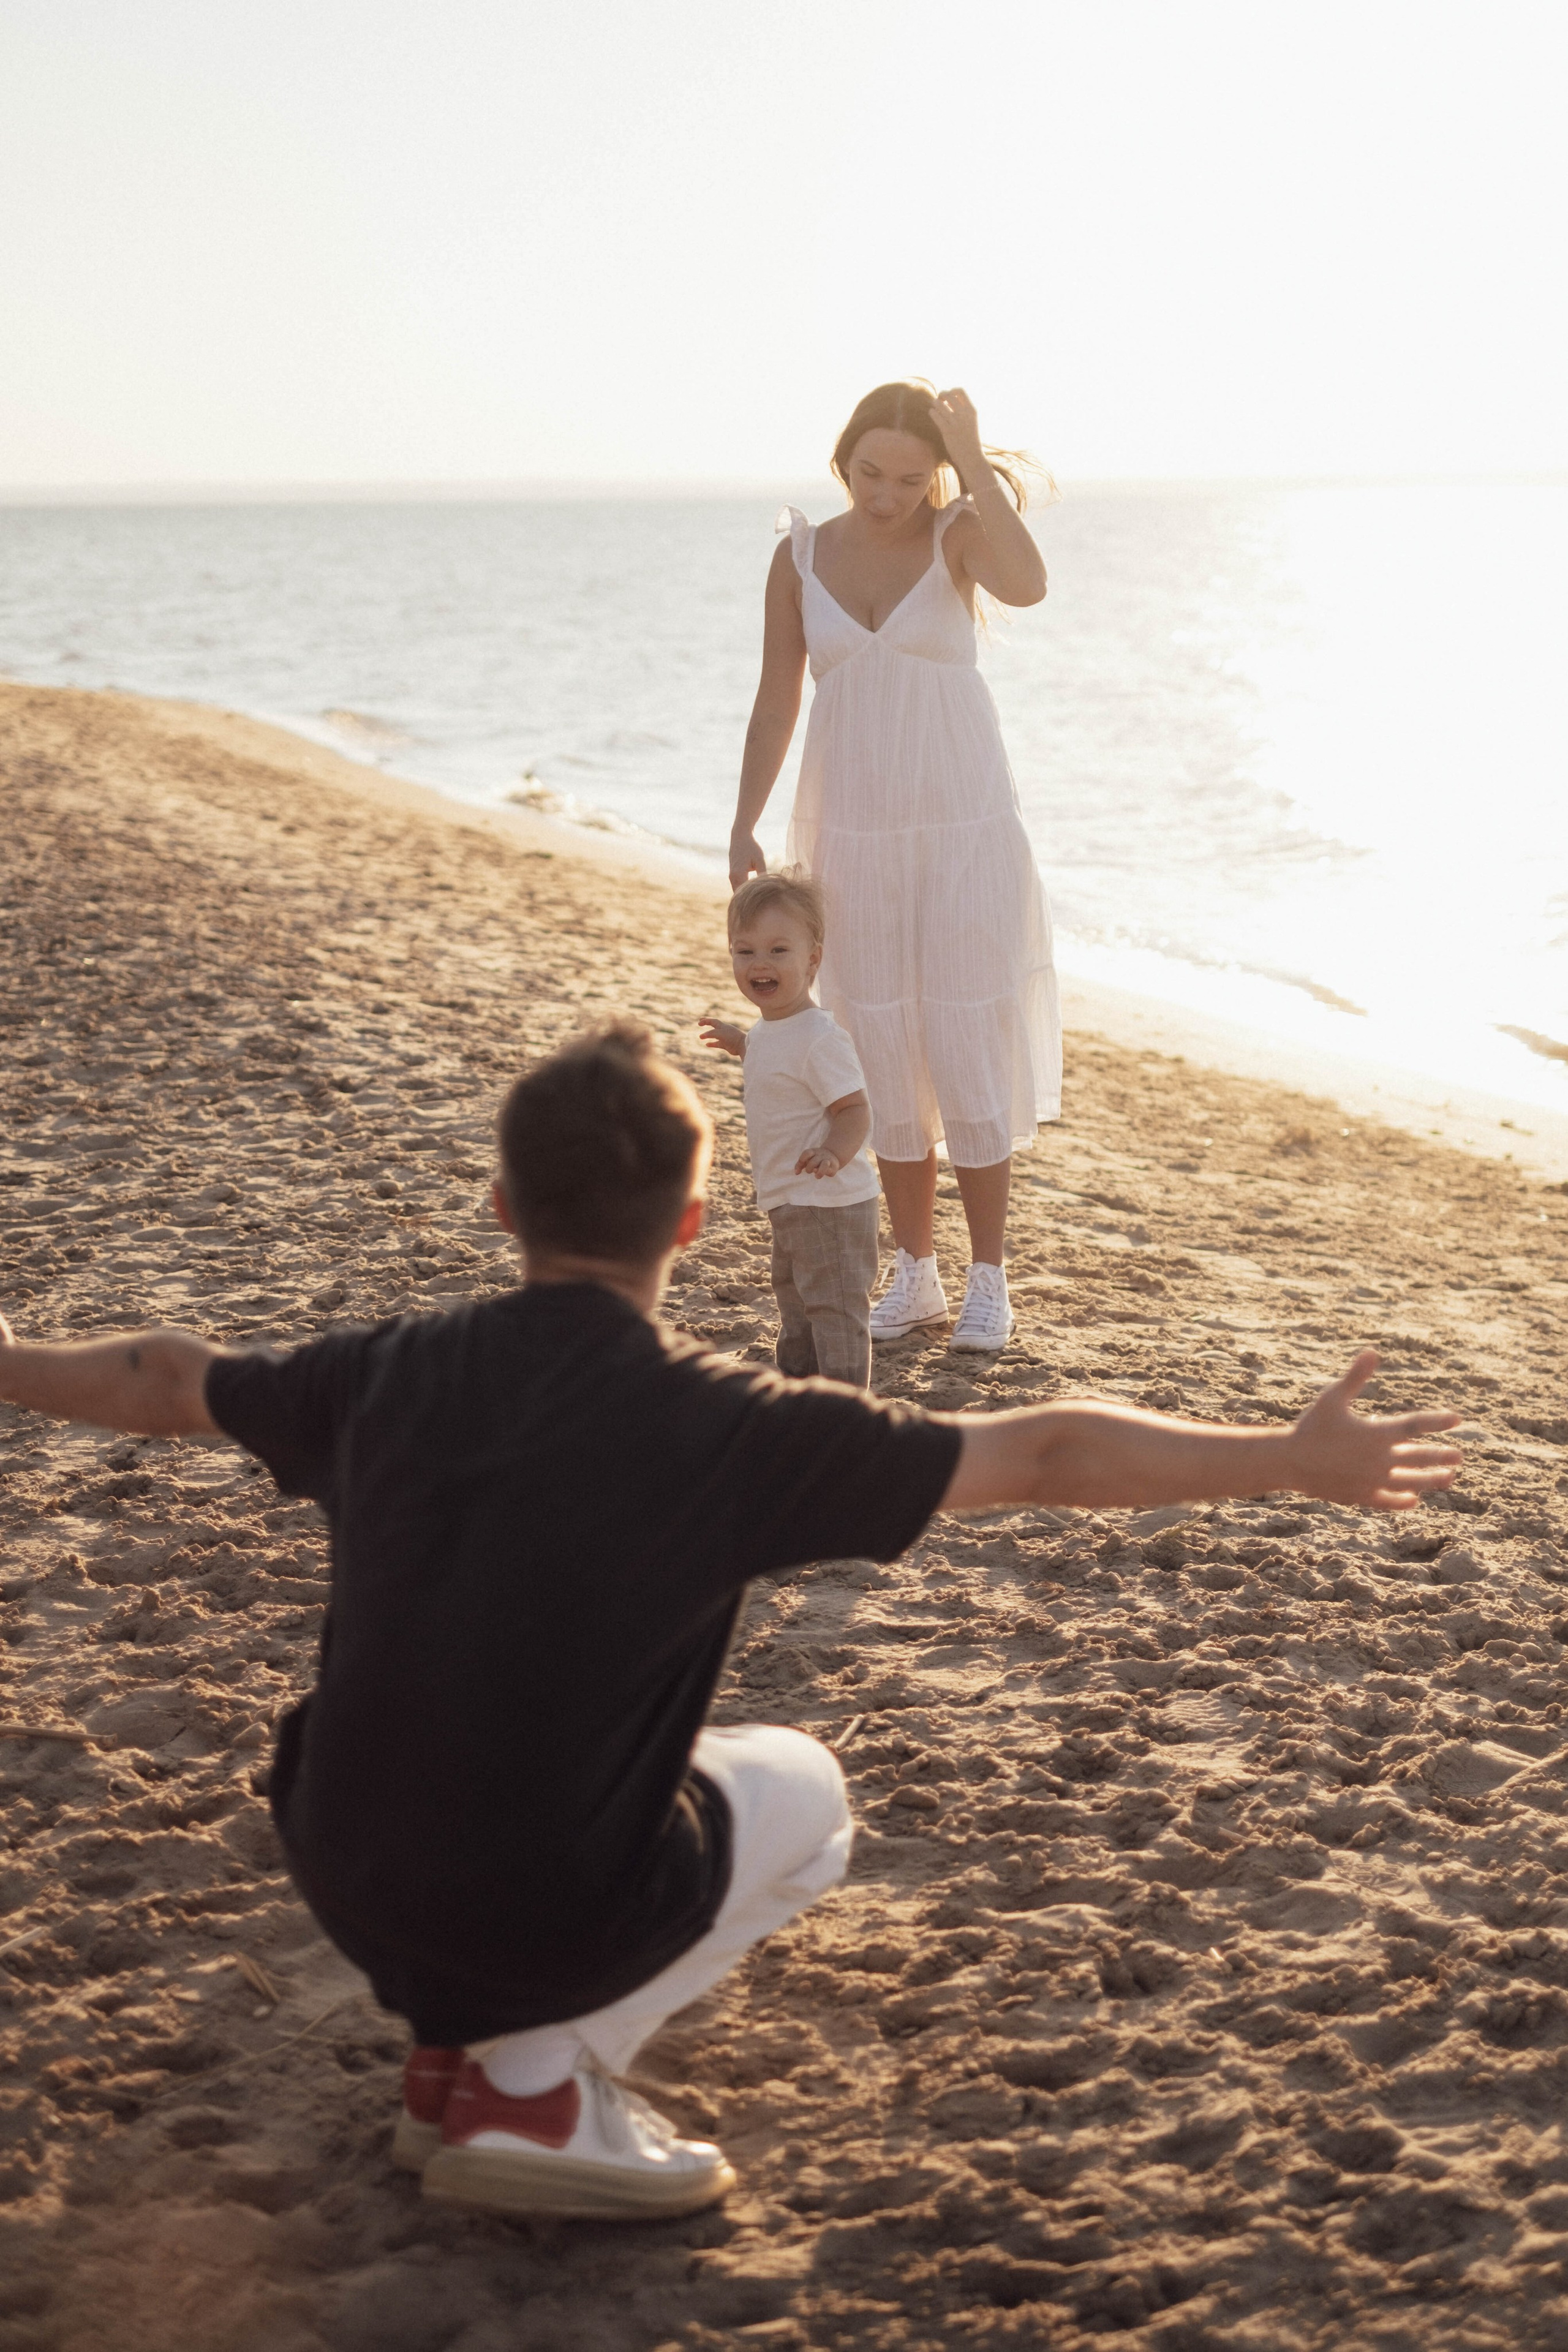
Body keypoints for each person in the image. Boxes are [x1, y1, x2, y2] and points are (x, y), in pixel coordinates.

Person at [0, 1025, 1461, 2225]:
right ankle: (538, 2077)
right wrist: (1285, 1455)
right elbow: (1043, 1455)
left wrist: (3, 1354)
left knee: (537, 1765)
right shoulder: (729, 1428)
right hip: (524, 1904)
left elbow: (164, 1375)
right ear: (693, 1224)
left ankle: (453, 2053)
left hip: (340, 1861)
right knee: (804, 1790)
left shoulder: (382, 1370)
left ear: (505, 1208)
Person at [729, 379, 1060, 1355]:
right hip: (851, 832)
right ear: (844, 459)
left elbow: (1030, 584)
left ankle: (988, 1279)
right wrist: (744, 824)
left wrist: (970, 448)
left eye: (912, 477)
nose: (888, 494)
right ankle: (915, 1274)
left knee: (966, 1036)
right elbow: (774, 703)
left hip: (963, 828)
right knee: (880, 1047)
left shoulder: (958, 533)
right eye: (872, 473)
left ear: (938, 475)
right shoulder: (800, 558)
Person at [700, 869, 879, 1389]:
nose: (760, 964)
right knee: (795, 1299)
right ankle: (799, 1389)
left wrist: (834, 1154)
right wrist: (741, 1043)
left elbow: (855, 1110)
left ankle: (846, 1406)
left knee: (835, 1307)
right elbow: (774, 1061)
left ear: (813, 960)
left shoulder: (820, 1037)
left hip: (831, 1202)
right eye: (745, 951)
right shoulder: (770, 1028)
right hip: (789, 1199)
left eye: (779, 951)